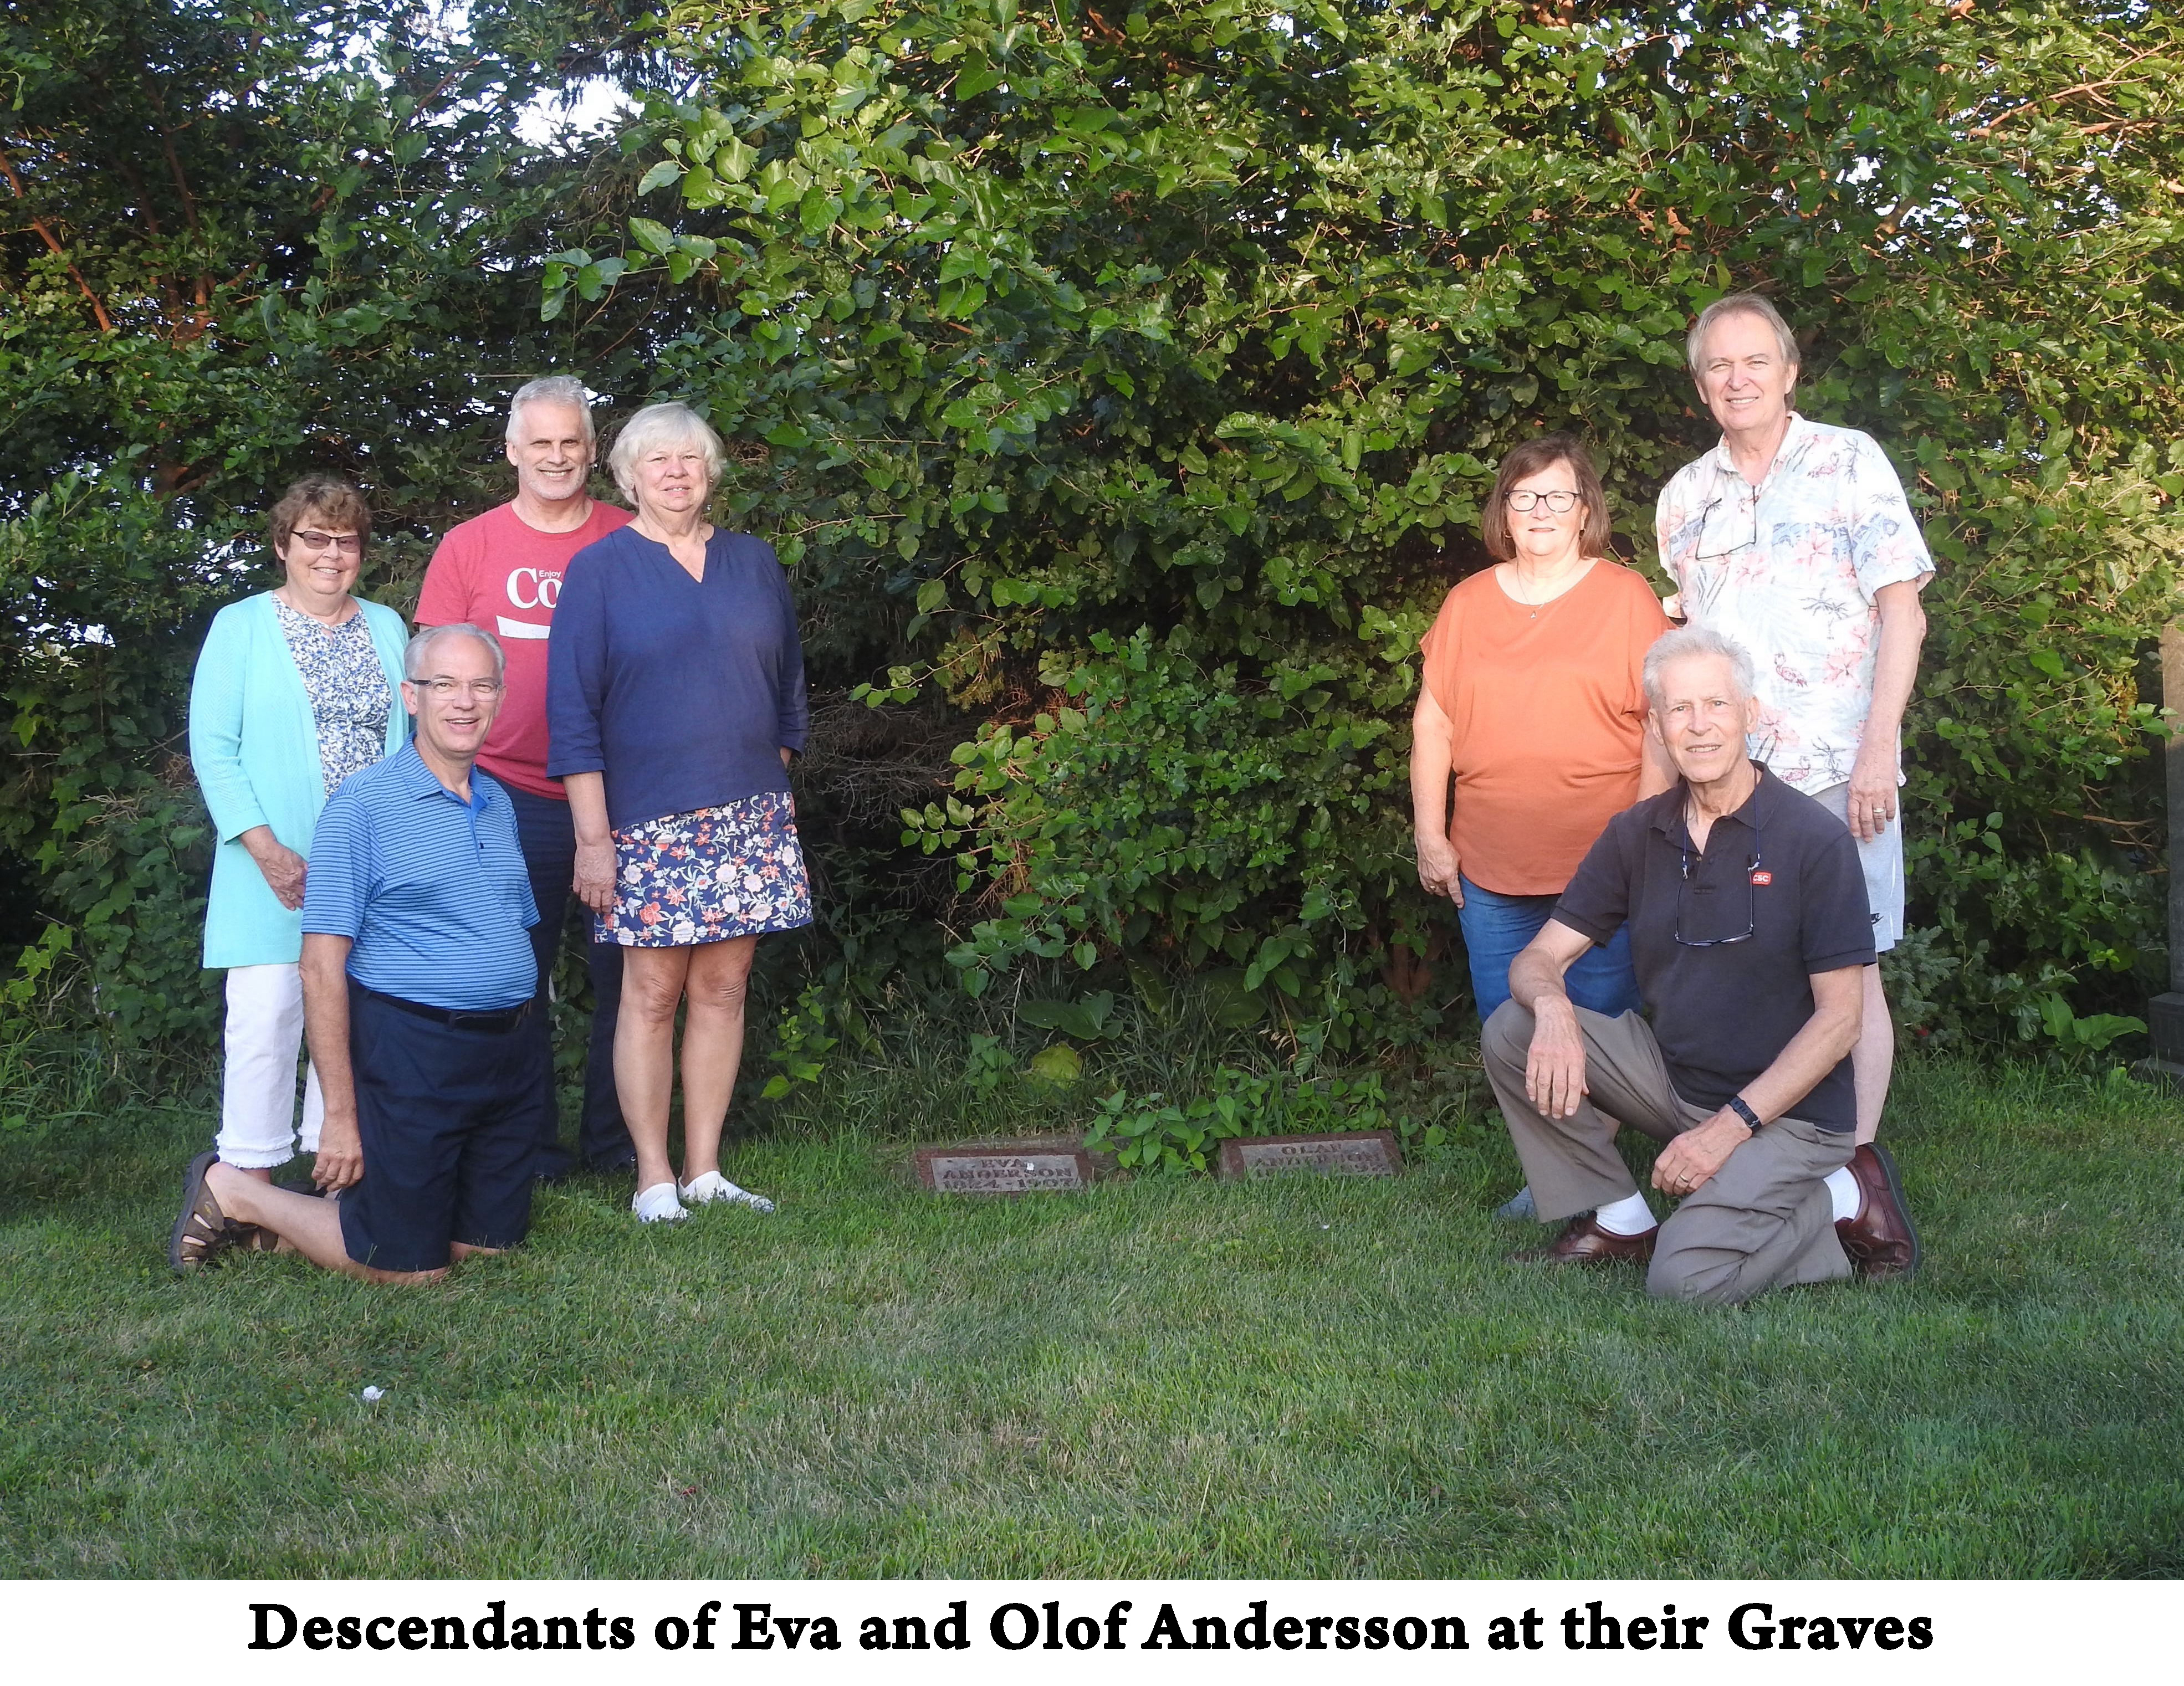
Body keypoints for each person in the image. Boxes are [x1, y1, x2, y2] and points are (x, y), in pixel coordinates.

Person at [1482, 627, 1919, 1304]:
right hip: (1674, 1080)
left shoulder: (1812, 839)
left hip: (1792, 1114)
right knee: (1512, 1028)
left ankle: (1840, 1196)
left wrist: (1728, 1129)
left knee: (1684, 1282)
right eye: (1679, 709)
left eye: (1715, 705)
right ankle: (1617, 1217)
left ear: (1750, 713)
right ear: (1656, 727)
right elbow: (1539, 957)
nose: (1698, 725)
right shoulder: (1637, 833)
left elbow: (1840, 1021)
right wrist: (1553, 1009)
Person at [170, 625, 547, 1281]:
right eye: (445, 685)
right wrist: (341, 1118)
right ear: (410, 696)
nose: (464, 702)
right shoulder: (362, 808)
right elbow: (320, 965)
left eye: (481, 685)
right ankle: (240, 1191)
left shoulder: (497, 804)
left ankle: (330, 1225)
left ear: (499, 696)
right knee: (411, 1272)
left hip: (506, 1055)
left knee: (487, 1248)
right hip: (416, 1051)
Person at [1655, 293, 1933, 1150]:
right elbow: (1687, 643)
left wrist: (1876, 752)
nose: (1737, 380)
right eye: (1718, 367)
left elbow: (1904, 613)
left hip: (1834, 774)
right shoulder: (1684, 496)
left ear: (1789, 372)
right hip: (1724, 783)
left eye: (1754, 362)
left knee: (1849, 977)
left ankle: (1856, 1173)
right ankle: (1749, 1148)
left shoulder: (1850, 462)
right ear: (1701, 387)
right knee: (1738, 968)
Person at [547, 402, 812, 1224]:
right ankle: (652, 1177)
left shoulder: (755, 561)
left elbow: (789, 696)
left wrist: (762, 789)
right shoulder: (600, 570)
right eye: (657, 460)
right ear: (628, 475)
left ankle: (705, 1169)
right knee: (652, 994)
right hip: (642, 819)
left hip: (748, 813)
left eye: (690, 458)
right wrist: (594, 837)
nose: (675, 471)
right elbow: (572, 714)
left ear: (710, 471)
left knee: (726, 987)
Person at [1411, 434, 1672, 1219]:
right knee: (1513, 1033)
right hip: (1489, 866)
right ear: (1503, 510)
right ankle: (1569, 1184)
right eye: (1524, 497)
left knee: (1593, 1032)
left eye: (1558, 495)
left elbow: (1658, 730)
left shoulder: (1626, 598)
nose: (1541, 511)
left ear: (1586, 508)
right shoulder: (1466, 602)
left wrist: (1645, 839)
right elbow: (1435, 723)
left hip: (1601, 866)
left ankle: (1591, 1195)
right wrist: (1432, 833)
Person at [416, 376, 633, 1180]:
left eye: (570, 442)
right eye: (538, 442)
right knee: (513, 985)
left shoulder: (628, 538)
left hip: (623, 796)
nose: (555, 456)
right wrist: (441, 794)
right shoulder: (468, 545)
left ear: (591, 450)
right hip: (501, 798)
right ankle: (529, 1151)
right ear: (512, 450)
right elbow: (437, 684)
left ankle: (616, 1149)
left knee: (629, 982)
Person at [187, 476, 410, 1188]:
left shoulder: (387, 627)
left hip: (365, 857)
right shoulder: (241, 625)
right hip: (270, 862)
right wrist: (265, 848)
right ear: (284, 546)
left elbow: (404, 744)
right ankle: (243, 1183)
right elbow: (213, 746)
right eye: (316, 537)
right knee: (267, 1015)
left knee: (351, 1012)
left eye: (347, 542)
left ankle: (331, 1171)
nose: (332, 554)